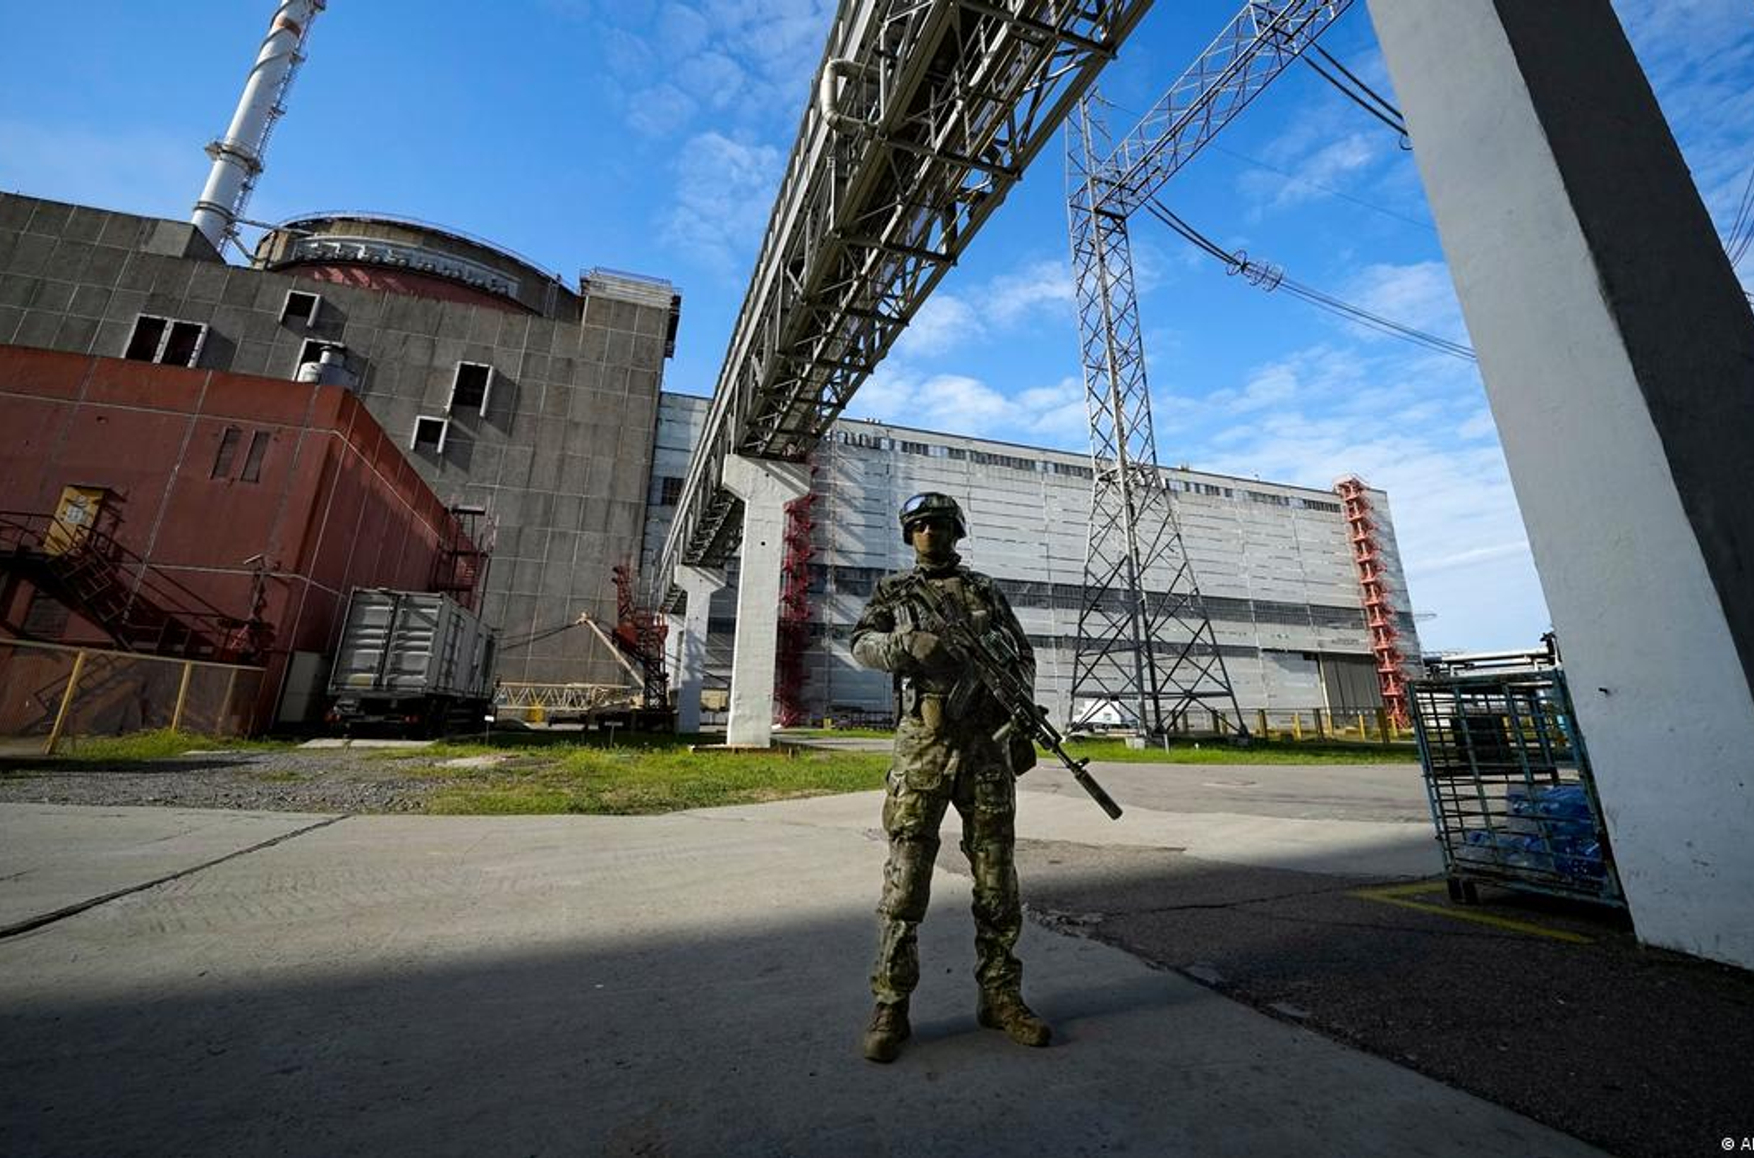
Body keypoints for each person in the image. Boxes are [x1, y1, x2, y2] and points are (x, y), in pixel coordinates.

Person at [850, 491, 1051, 1064]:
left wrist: (1018, 706)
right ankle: (891, 1004)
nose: (929, 533)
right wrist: (903, 645)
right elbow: (860, 644)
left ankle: (1001, 995)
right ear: (908, 534)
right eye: (918, 526)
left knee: (997, 880)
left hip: (986, 747)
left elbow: (1022, 656)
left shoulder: (985, 590)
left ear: (956, 531)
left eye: (938, 524)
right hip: (923, 747)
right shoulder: (895, 591)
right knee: (906, 878)